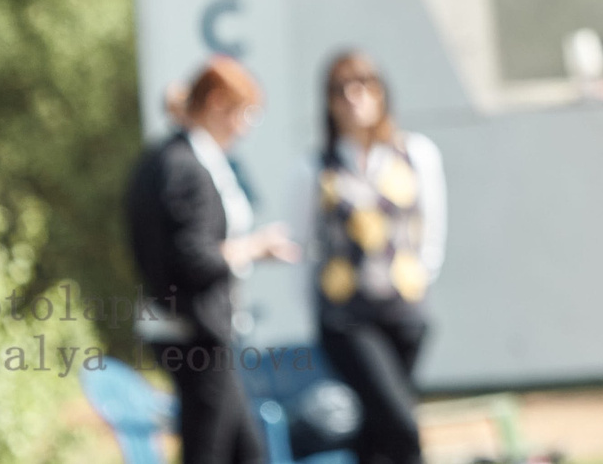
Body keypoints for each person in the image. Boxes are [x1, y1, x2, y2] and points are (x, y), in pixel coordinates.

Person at [123, 55, 300, 464]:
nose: (248, 126)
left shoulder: (166, 157)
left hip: (186, 329)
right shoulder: (186, 166)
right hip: (193, 331)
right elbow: (194, 258)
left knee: (245, 451)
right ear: (219, 103)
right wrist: (256, 247)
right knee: (210, 451)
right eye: (246, 113)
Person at [293, 49, 447, 464]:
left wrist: (416, 278)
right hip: (348, 316)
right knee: (401, 424)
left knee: (375, 428)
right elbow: (305, 245)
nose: (354, 99)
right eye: (342, 90)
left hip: (404, 311)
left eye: (364, 87)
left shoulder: (415, 154)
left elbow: (431, 230)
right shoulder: (317, 168)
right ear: (329, 102)